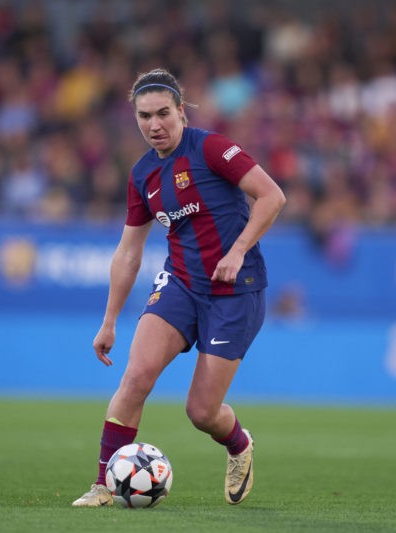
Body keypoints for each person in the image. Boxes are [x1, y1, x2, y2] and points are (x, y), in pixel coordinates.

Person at [71, 68, 286, 507]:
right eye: (144, 116)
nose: (155, 125)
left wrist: (239, 249)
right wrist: (109, 320)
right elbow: (129, 252)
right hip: (181, 285)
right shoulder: (142, 175)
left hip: (235, 290)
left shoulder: (211, 148)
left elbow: (272, 196)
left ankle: (239, 444)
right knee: (135, 377)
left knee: (201, 412)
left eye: (163, 113)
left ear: (181, 112)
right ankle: (103, 486)